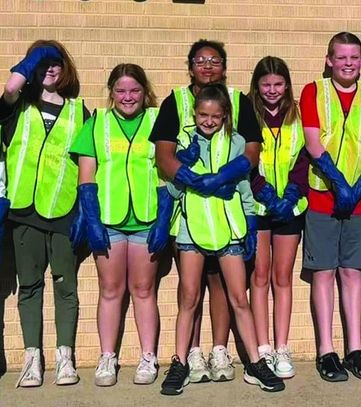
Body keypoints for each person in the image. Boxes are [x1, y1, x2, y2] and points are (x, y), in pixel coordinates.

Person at [158, 83, 284, 395]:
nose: (209, 121)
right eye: (203, 114)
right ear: (195, 114)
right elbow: (173, 185)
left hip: (229, 230)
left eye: (215, 115)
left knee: (239, 298)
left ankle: (256, 363)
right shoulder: (184, 141)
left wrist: (251, 223)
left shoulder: (237, 142)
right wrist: (164, 215)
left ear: (225, 115)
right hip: (192, 229)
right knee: (188, 298)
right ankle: (179, 362)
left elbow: (244, 186)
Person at [150, 39, 263, 384]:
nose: (208, 66)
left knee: (223, 285)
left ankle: (219, 349)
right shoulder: (177, 101)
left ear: (224, 67)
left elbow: (251, 152)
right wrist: (194, 180)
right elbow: (165, 154)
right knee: (190, 289)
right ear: (190, 66)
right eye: (201, 61)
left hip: (226, 217)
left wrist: (224, 177)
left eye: (215, 61)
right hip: (192, 215)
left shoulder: (240, 102)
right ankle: (190, 355)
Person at [70, 63, 168, 386]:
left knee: (143, 290)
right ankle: (107, 357)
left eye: (135, 91)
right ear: (111, 92)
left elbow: (167, 172)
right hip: (109, 221)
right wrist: (92, 221)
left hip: (146, 219)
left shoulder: (157, 120)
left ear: (145, 92)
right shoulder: (96, 123)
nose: (128, 97)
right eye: (121, 91)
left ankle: (147, 357)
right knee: (111, 291)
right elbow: (86, 178)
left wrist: (165, 215)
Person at [299, 31, 361, 382]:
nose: (348, 64)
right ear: (329, 60)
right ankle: (326, 350)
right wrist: (338, 183)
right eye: (342, 57)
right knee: (323, 273)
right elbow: (313, 142)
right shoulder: (313, 91)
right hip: (323, 195)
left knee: (352, 274)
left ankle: (354, 349)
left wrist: (357, 188)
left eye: (354, 57)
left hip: (360, 200)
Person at [0, 40, 89, 387]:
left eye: (56, 63)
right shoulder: (16, 106)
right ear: (32, 68)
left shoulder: (81, 112)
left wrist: (86, 210)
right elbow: (8, 90)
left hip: (64, 212)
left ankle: (64, 357)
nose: (50, 69)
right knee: (30, 286)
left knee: (66, 285)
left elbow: (86, 165)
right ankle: (31, 358)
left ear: (66, 69)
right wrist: (27, 65)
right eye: (43, 64)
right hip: (23, 211)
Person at [248, 56, 309, 378]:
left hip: (289, 208)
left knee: (282, 278)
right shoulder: (247, 113)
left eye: (278, 84)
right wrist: (263, 192)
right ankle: (263, 349)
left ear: (286, 85)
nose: (272, 90)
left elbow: (303, 158)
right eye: (266, 84)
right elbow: (243, 158)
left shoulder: (297, 116)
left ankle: (283, 347)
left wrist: (291, 195)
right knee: (259, 276)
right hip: (259, 209)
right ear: (257, 85)